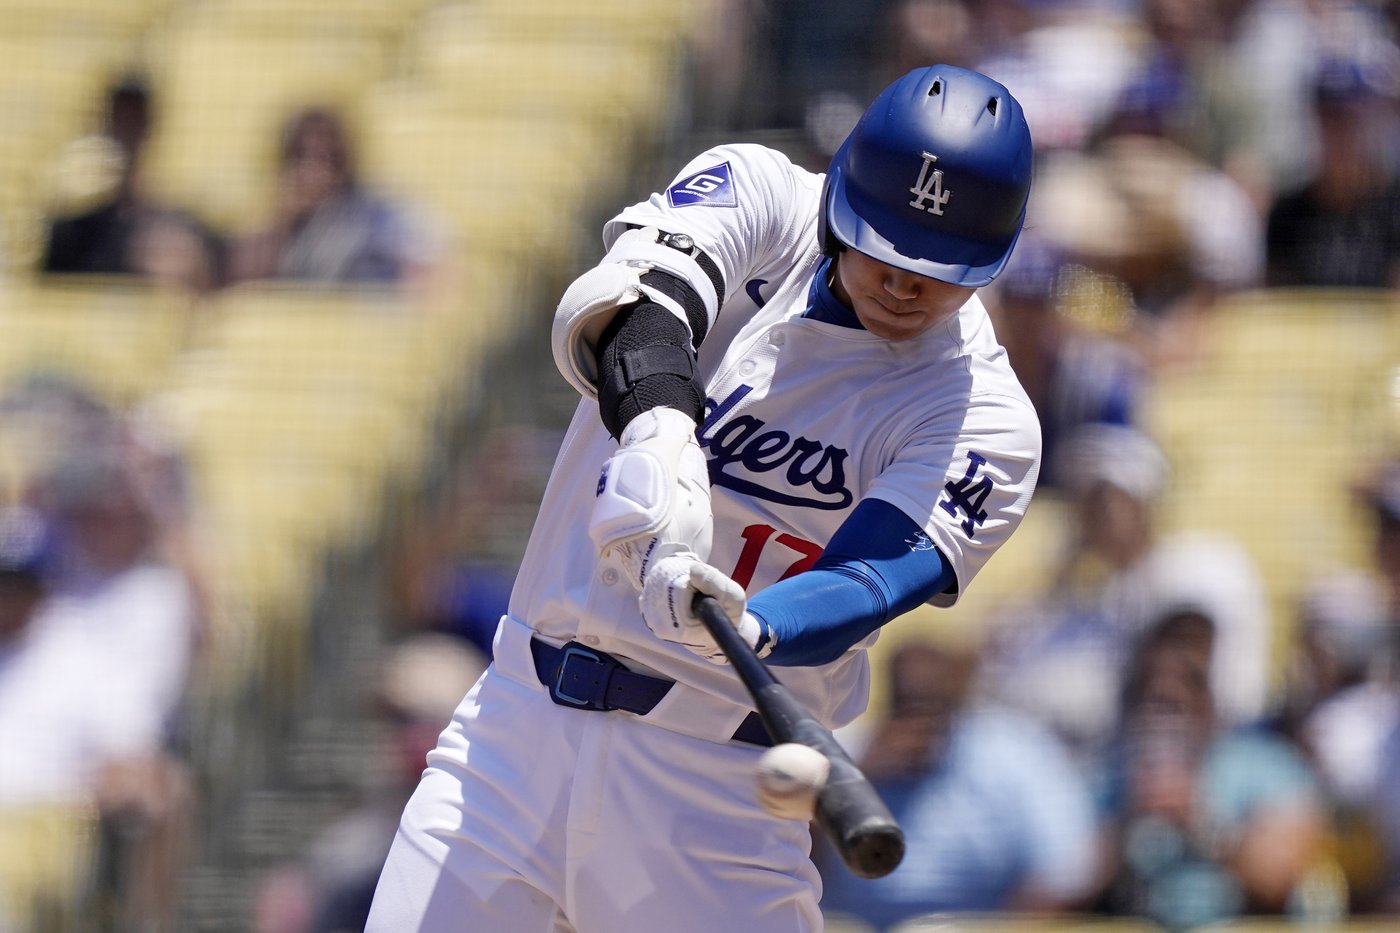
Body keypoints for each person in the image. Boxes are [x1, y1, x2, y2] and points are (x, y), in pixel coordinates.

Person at [366, 63, 1041, 931]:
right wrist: (659, 433)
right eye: (882, 243)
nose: (905, 284)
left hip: (715, 787)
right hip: (515, 731)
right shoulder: (763, 195)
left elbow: (872, 578)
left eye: (939, 267)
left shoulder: (983, 412)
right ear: (840, 191)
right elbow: (630, 303)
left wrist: (753, 625)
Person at [816, 637, 1099, 930]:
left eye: (930, 704)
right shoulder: (848, 751)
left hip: (982, 925)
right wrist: (858, 778)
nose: (919, 720)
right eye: (907, 704)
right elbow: (798, 856)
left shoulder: (1013, 752)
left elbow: (1067, 871)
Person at [226, 106, 444, 289]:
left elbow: (429, 272)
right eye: (301, 157)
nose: (312, 172)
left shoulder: (379, 217)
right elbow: (242, 286)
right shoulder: (276, 222)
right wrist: (282, 223)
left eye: (325, 159)